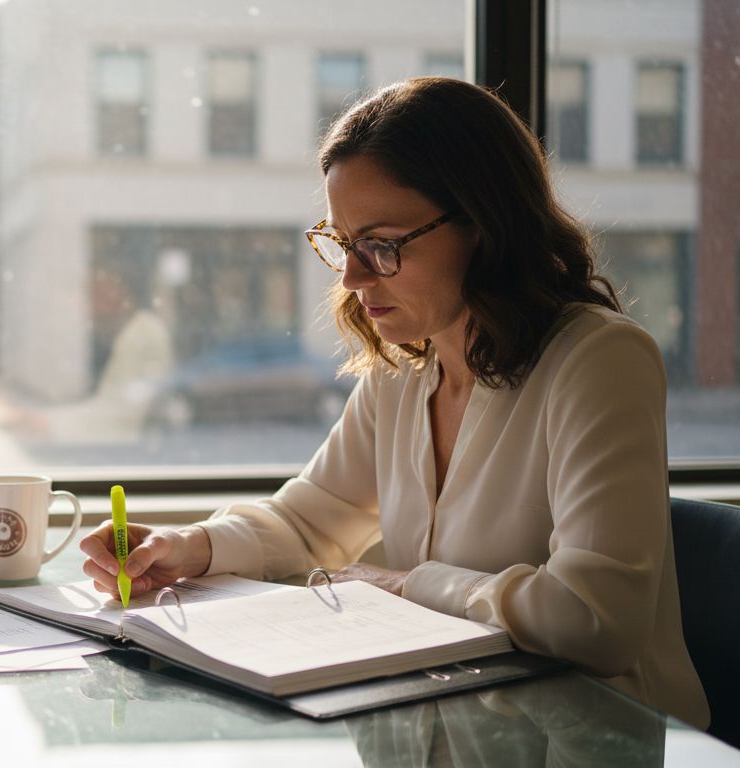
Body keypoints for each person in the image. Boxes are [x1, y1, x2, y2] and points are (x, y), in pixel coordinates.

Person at [79, 77, 709, 729]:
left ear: (484, 224)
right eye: (343, 244)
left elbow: (596, 619)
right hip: (457, 720)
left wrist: (408, 586)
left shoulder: (597, 361)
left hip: (604, 733)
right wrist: (188, 548)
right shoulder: (406, 370)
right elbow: (309, 523)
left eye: (382, 245)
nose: (351, 277)